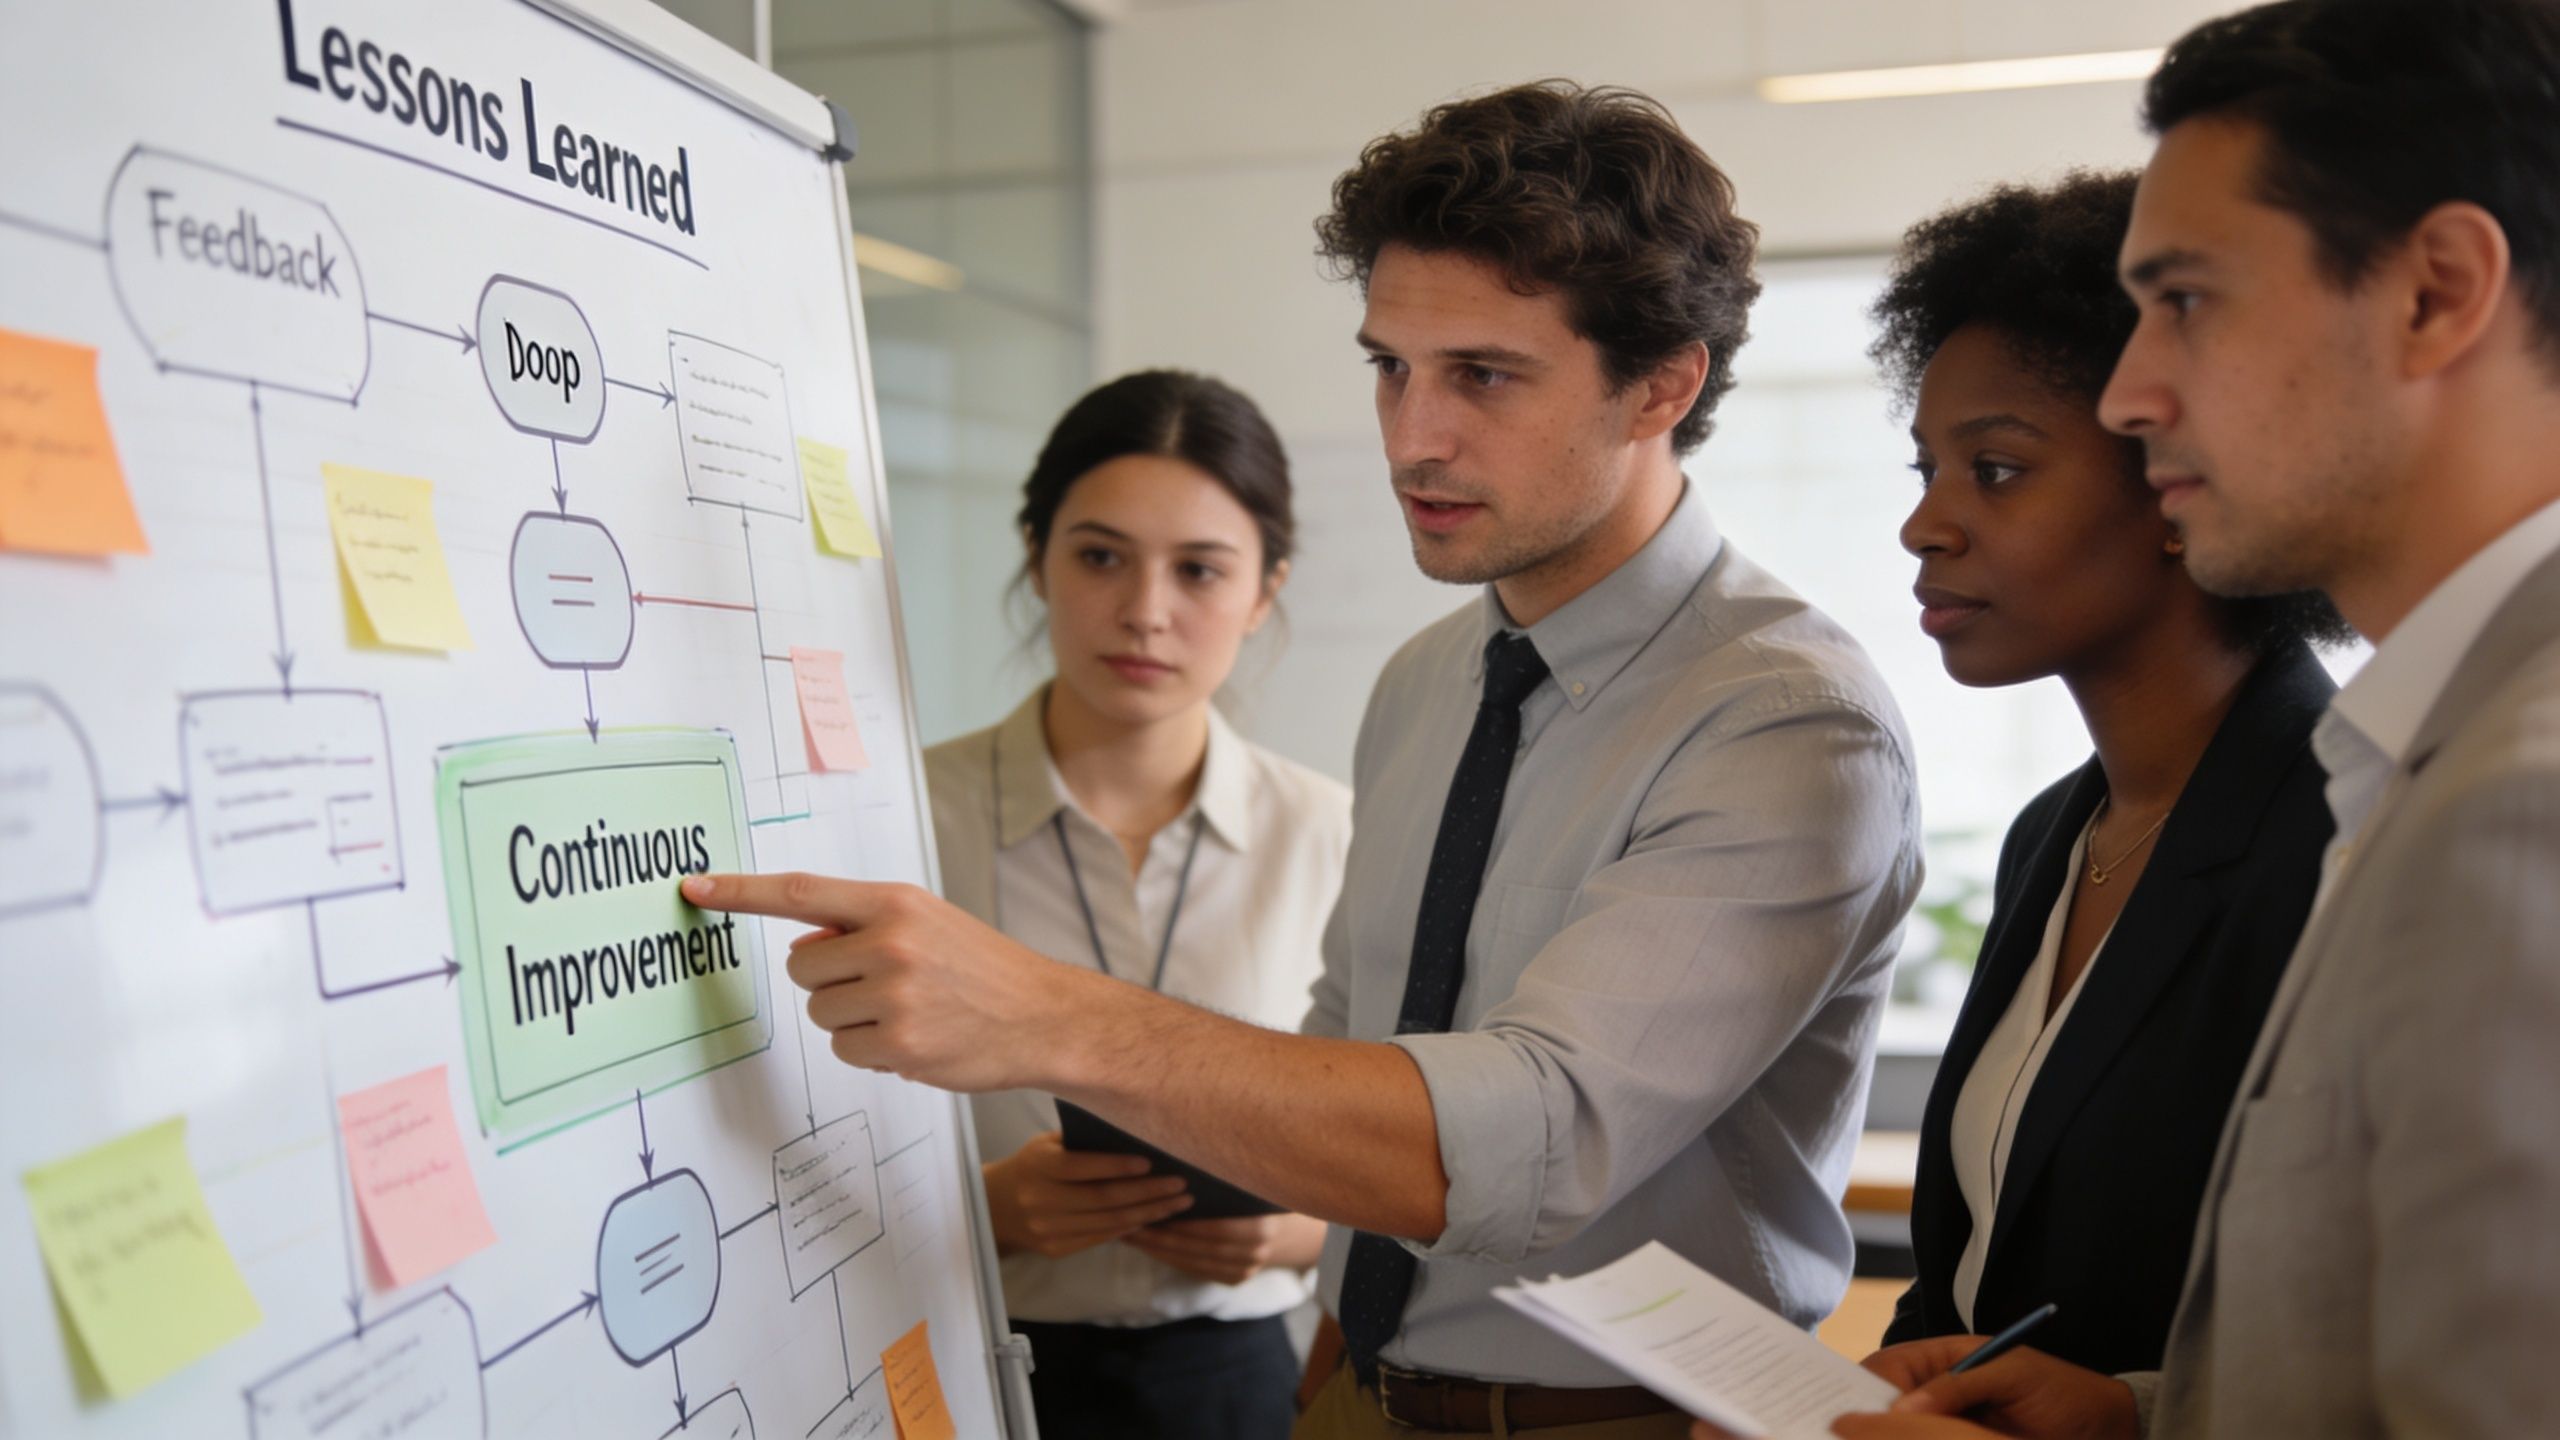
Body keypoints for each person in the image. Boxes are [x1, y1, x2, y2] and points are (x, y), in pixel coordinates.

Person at [689, 82, 1923, 1439]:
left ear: (1664, 386)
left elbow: (1540, 1135)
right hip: (1346, 1388)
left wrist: (1044, 1015)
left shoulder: (1784, 716)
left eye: (1484, 376)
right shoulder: (1428, 681)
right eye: (1390, 365)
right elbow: (1356, 1039)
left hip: (1617, 1418)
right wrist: (1333, 1356)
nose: (1412, 437)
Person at [1814, 1, 2560, 1436]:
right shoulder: (2378, 770)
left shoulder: (2506, 799)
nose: (2144, 398)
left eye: (2189, 301)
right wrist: (2136, 1415)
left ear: (2436, 291)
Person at [1866, 171, 2350, 1379]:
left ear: (2179, 486)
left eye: (1996, 469)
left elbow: (2390, 1324)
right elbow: (1974, 1264)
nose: (1924, 525)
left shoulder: (2344, 825)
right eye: (1923, 469)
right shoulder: (2055, 834)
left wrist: (2124, 1413)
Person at [924, 370, 1348, 1439]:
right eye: (1100, 555)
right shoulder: (904, 818)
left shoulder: (1336, 834)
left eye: (1200, 570)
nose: (1145, 612)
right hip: (968, 1359)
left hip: (1235, 1382)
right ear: (1036, 555)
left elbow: (1423, 1147)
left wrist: (1300, 1232)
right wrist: (988, 1211)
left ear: (1263, 591)